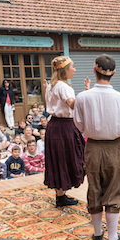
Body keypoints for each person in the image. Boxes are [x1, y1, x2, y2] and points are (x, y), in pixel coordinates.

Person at [74, 54, 120, 240]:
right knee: (114, 188)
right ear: (114, 73)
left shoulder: (82, 97)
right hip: (114, 146)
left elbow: (79, 124)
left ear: (94, 70)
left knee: (95, 187)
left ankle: (98, 233)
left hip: (92, 145)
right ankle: (113, 237)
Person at [42, 56, 87, 207]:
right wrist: (85, 95)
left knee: (58, 160)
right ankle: (62, 196)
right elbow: (72, 104)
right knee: (74, 157)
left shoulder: (51, 85)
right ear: (65, 70)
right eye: (72, 67)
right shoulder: (63, 86)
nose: (74, 70)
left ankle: (60, 197)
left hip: (54, 125)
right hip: (64, 127)